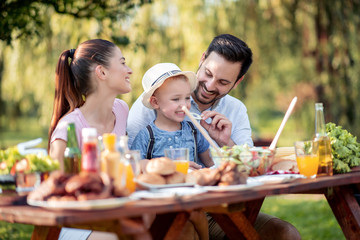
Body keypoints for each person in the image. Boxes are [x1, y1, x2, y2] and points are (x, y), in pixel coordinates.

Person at [127, 34, 301, 240]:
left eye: (222, 82)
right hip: (165, 211)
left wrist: (225, 142)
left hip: (217, 210)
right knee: (184, 232)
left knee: (285, 234)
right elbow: (130, 164)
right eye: (208, 73)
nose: (210, 85)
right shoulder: (154, 100)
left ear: (237, 82)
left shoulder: (235, 110)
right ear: (202, 59)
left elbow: (252, 170)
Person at [48, 39, 132, 240]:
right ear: (101, 72)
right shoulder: (68, 128)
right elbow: (54, 191)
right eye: (122, 63)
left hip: (113, 212)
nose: (129, 70)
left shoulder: (121, 110)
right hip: (77, 222)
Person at [130, 63, 214, 169]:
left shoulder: (194, 131)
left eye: (187, 98)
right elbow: (134, 166)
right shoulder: (146, 136)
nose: (184, 105)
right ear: (155, 102)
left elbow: (211, 163)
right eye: (175, 99)